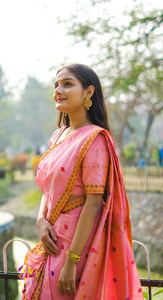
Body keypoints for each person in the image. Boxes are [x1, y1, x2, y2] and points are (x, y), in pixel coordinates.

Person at [20, 64, 143, 299]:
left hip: (74, 247)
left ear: (88, 92)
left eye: (67, 84)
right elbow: (47, 188)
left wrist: (72, 260)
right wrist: (40, 221)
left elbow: (94, 203)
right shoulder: (59, 135)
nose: (58, 90)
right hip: (50, 239)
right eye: (56, 85)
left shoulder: (95, 139)